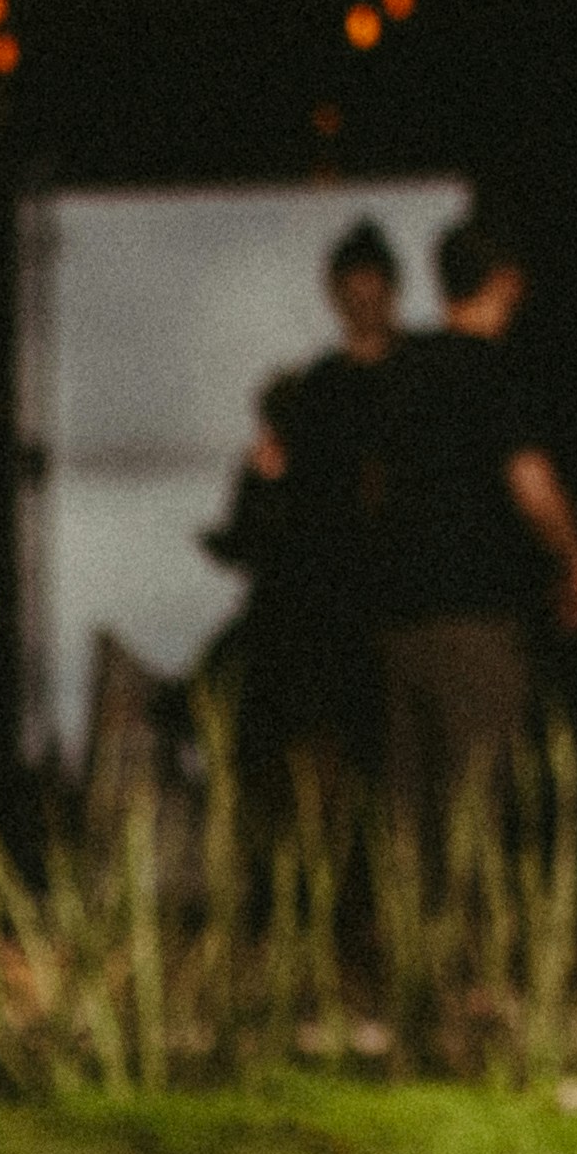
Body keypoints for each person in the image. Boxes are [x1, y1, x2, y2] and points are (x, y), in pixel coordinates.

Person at [367, 213, 577, 822]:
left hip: (399, 620)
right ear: (508, 281)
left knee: (409, 815)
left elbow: (372, 487)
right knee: (479, 804)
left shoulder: (398, 372)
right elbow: (530, 482)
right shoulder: (496, 373)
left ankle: (411, 920)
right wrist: (574, 557)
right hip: (478, 618)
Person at [209, 217, 407, 774]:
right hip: (328, 617)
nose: (363, 302)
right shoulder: (319, 389)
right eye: (354, 291)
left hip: (383, 608)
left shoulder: (408, 379)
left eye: (371, 289)